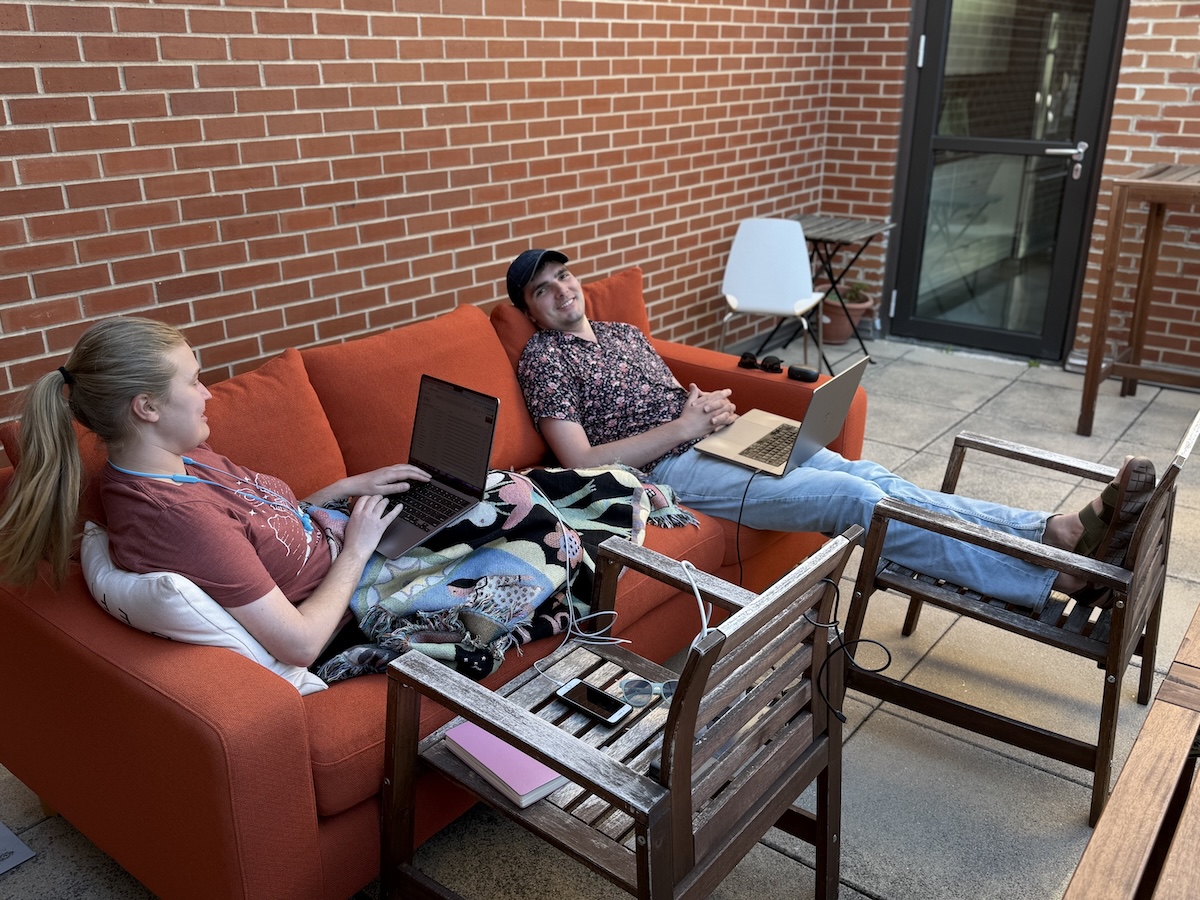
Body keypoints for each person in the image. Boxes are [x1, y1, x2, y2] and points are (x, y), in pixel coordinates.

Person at [505, 248, 1155, 611]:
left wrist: (702, 405)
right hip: (672, 470)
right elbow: (580, 459)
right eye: (542, 290)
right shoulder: (544, 359)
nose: (561, 290)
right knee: (856, 500)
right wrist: (683, 426)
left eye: (564, 275)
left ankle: (1052, 533)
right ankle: (1053, 578)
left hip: (721, 436)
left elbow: (666, 395)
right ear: (530, 313)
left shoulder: (622, 333)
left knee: (869, 474)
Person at [0, 317, 429, 667]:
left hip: (348, 538)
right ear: (147, 407)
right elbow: (300, 645)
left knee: (456, 494)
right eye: (193, 382)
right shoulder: (178, 521)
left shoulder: (183, 455)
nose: (207, 393)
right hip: (354, 597)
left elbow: (262, 524)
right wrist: (357, 549)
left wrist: (345, 487)